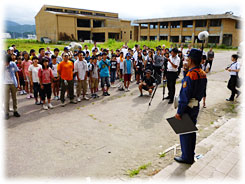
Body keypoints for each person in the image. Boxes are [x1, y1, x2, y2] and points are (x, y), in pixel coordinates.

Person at [174, 48, 207, 164]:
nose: (186, 61)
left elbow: (184, 96)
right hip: (195, 105)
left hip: (187, 107)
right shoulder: (202, 73)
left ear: (191, 60)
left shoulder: (191, 75)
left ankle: (186, 157)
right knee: (191, 131)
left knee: (184, 132)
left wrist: (179, 112)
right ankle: (190, 153)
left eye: (188, 59)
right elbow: (203, 91)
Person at [4, 54, 21, 119]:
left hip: (13, 83)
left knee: (15, 98)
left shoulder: (13, 64)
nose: (7, 63)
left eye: (8, 62)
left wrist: (18, 83)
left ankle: (15, 110)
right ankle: (6, 112)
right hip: (5, 83)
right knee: (6, 99)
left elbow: (16, 73)